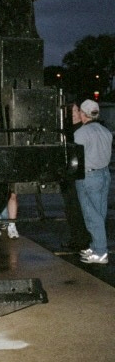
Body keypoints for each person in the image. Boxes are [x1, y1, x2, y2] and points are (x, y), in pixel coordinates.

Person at [74, 99, 112, 264]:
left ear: (83, 114)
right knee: (100, 213)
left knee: (92, 215)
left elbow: (76, 159)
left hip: (88, 177)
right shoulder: (105, 131)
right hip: (104, 174)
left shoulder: (81, 133)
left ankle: (101, 252)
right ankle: (96, 245)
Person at [60, 102, 90, 250]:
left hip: (78, 175)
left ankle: (82, 239)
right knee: (71, 209)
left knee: (79, 209)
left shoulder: (82, 130)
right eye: (70, 111)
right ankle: (77, 238)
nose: (73, 113)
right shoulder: (66, 131)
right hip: (69, 176)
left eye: (75, 110)